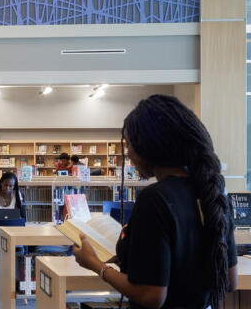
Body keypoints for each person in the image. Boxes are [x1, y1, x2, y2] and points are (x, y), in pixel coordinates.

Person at [73, 94, 236, 309]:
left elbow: (151, 296)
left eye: (129, 145)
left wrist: (95, 264)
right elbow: (229, 280)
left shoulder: (155, 199)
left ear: (149, 146)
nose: (128, 154)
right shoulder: (214, 193)